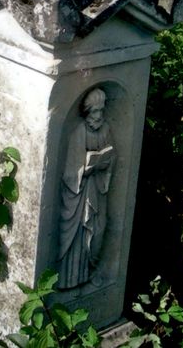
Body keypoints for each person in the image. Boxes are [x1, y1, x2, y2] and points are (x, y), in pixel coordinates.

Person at [58, 88, 115, 290]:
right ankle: (70, 281)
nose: (99, 116)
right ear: (87, 112)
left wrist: (104, 163)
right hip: (79, 194)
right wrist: (86, 169)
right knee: (79, 234)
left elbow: (111, 156)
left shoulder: (106, 129)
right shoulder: (78, 132)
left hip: (97, 189)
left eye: (101, 110)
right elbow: (70, 172)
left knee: (98, 230)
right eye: (95, 111)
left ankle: (92, 272)